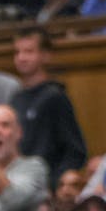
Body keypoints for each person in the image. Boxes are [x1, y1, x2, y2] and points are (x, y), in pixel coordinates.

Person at [11, 26, 87, 186]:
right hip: (18, 183)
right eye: (17, 52)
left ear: (45, 55)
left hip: (44, 184)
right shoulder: (15, 98)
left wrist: (55, 182)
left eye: (29, 52)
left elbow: (75, 150)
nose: (21, 58)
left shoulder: (54, 96)